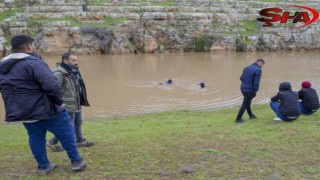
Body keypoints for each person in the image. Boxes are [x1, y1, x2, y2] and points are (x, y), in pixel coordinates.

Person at [0, 35, 86, 175]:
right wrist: (60, 102)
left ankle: (44, 166)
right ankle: (76, 161)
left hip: (22, 111)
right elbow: (51, 85)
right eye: (32, 45)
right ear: (29, 46)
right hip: (46, 109)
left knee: (35, 137)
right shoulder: (33, 62)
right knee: (66, 132)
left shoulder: (3, 66)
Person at [47, 52, 94, 152]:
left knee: (78, 122)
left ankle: (79, 140)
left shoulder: (74, 71)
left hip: (76, 102)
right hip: (66, 105)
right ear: (65, 61)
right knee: (68, 126)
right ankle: (55, 143)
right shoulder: (58, 73)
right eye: (73, 60)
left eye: (76, 60)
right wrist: (60, 103)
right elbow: (53, 89)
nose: (76, 62)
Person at [235, 59, 265, 123]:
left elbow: (241, 78)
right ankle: (238, 118)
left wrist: (247, 82)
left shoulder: (246, 67)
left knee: (248, 102)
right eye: (262, 65)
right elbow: (256, 83)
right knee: (245, 103)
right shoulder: (258, 70)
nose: (262, 67)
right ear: (261, 64)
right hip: (249, 90)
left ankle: (251, 115)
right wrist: (255, 91)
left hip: (243, 88)